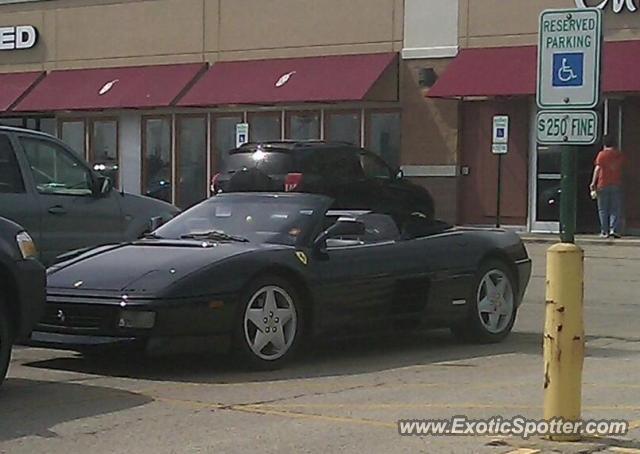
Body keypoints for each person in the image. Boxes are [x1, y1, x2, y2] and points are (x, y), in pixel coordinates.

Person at [590, 135, 625, 238]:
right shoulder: (619, 155)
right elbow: (621, 168)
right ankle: (614, 229)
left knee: (603, 209)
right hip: (616, 183)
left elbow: (597, 169)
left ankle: (604, 231)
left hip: (602, 183)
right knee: (615, 208)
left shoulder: (601, 155)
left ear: (604, 143)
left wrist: (593, 183)